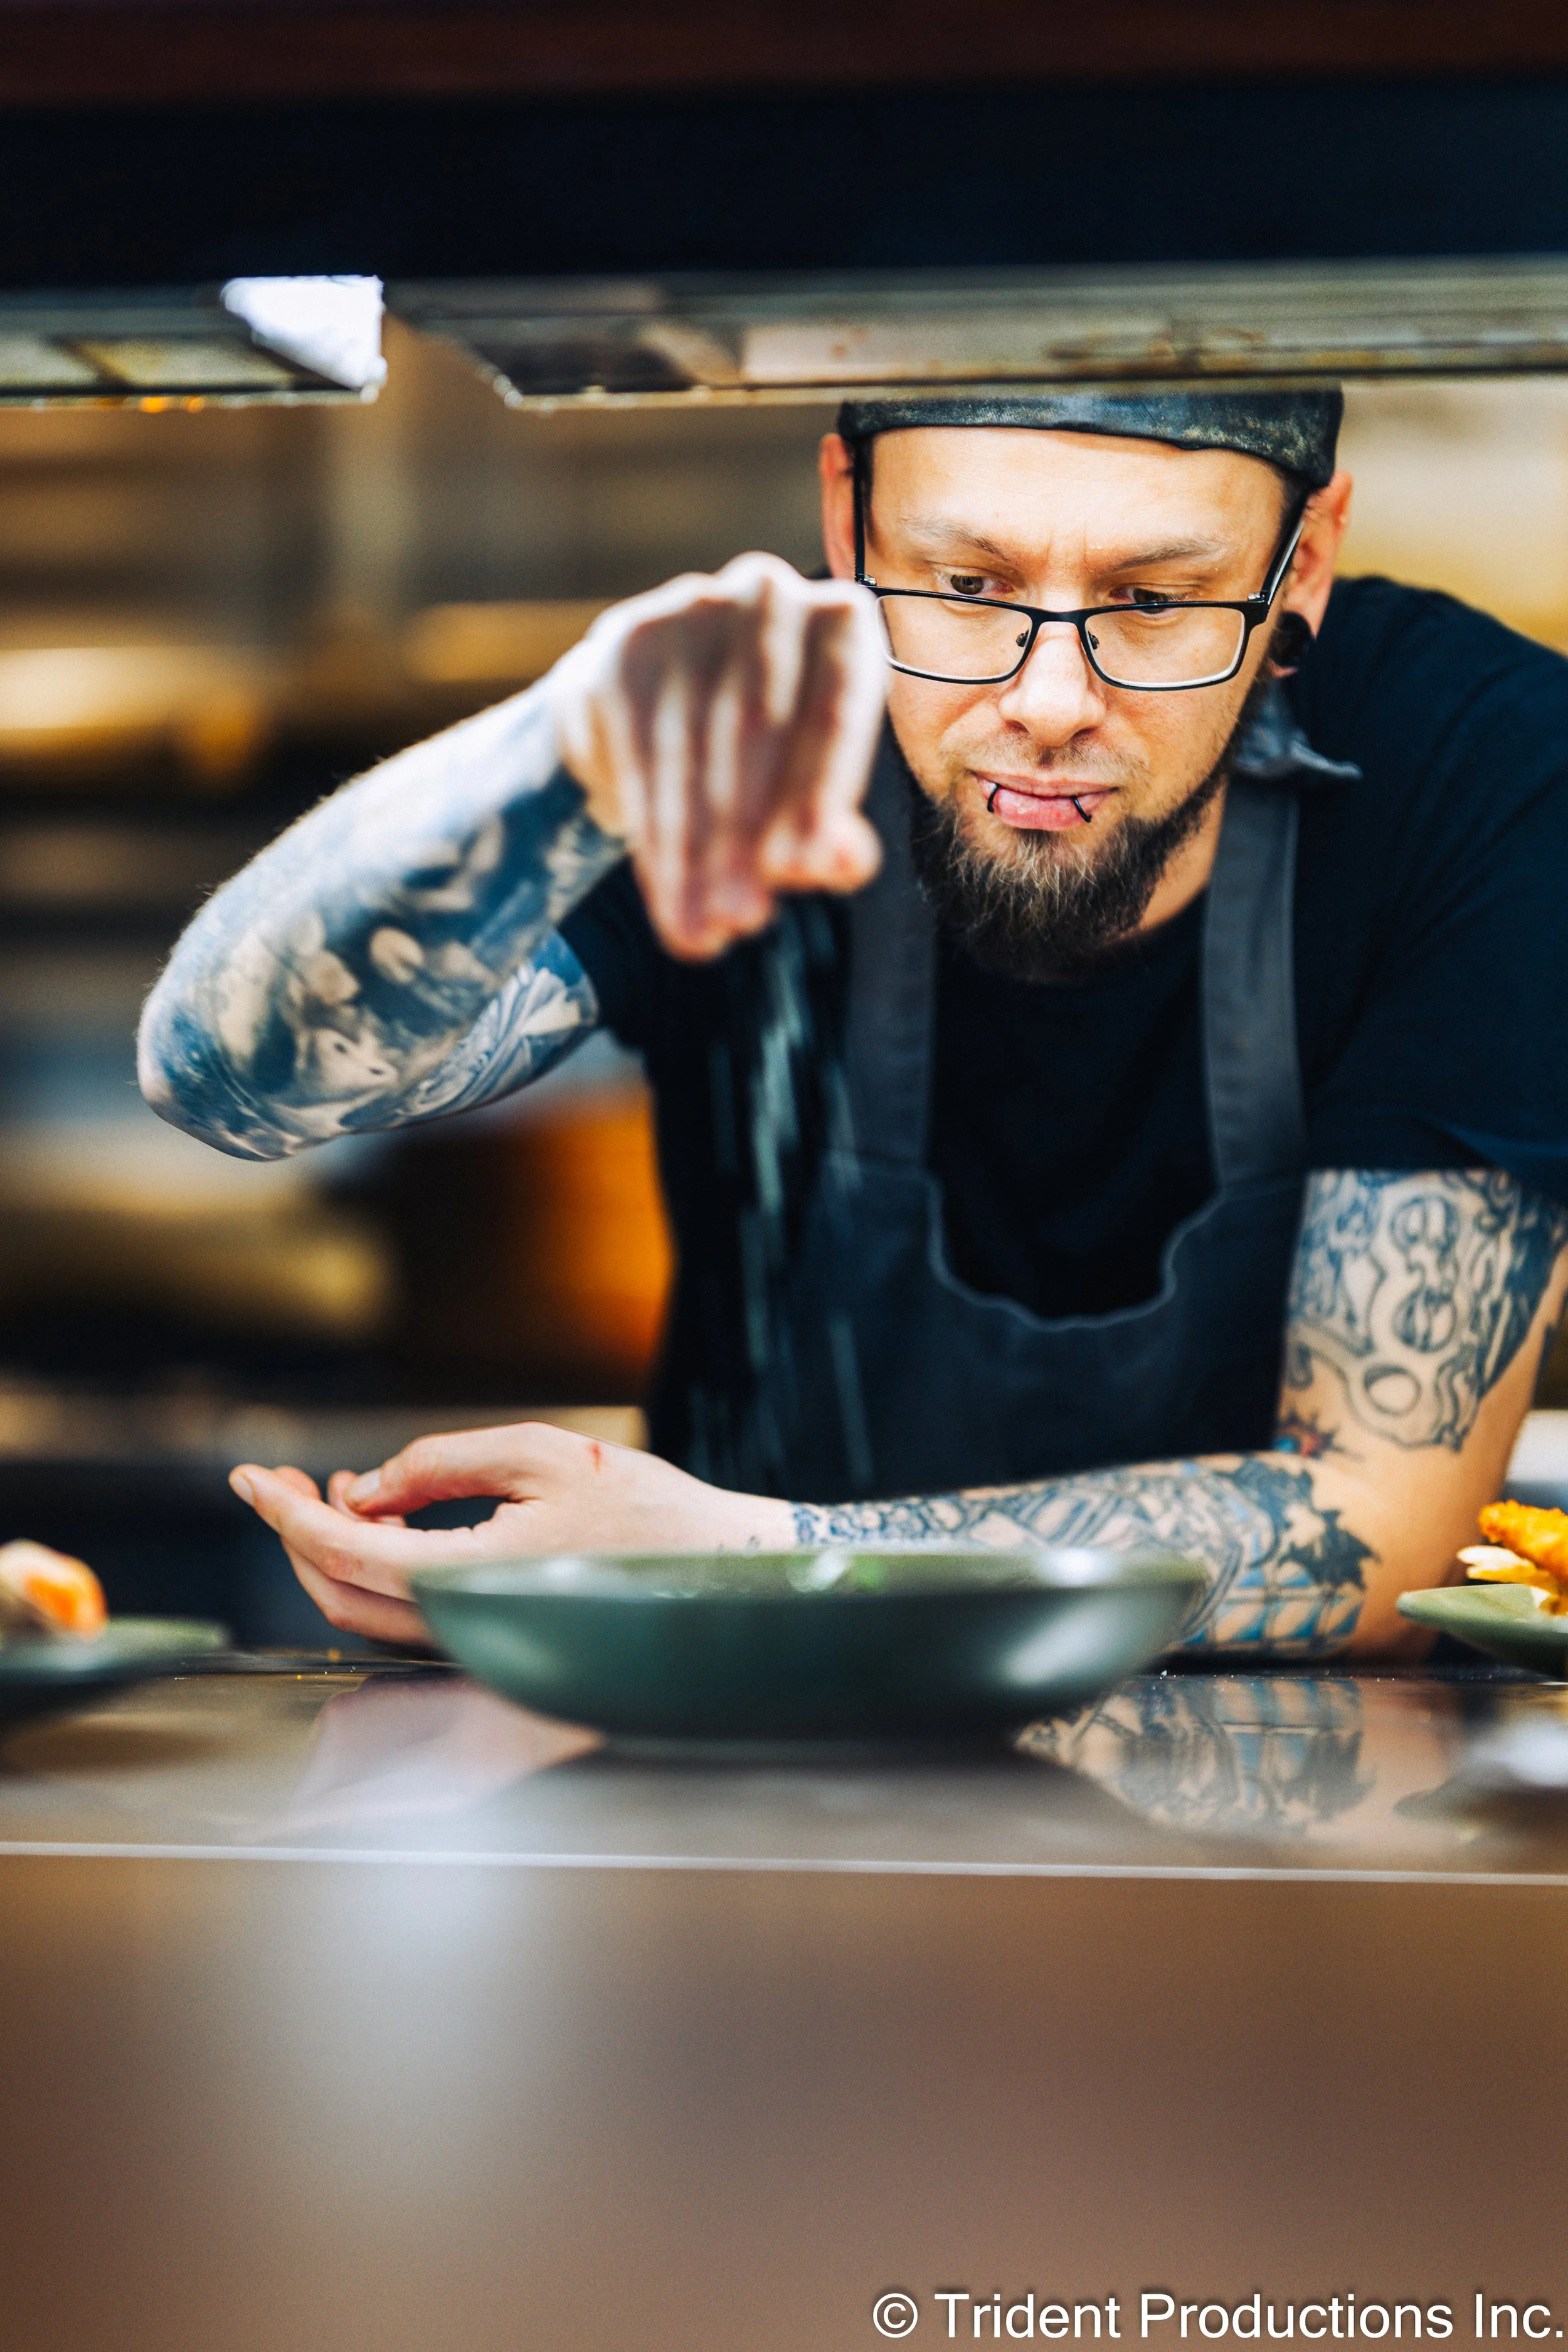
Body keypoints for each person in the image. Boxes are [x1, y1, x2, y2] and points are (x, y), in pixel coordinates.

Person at [138, 386, 1568, 1655]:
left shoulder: (1479, 770)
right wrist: (554, 746)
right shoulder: (735, 726)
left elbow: (1374, 1526)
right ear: (847, 520)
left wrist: (730, 1559)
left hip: (1285, 1813)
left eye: (1151, 602)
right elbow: (226, 1085)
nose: (1048, 702)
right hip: (737, 1768)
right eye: (965, 584)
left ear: (1298, 564)